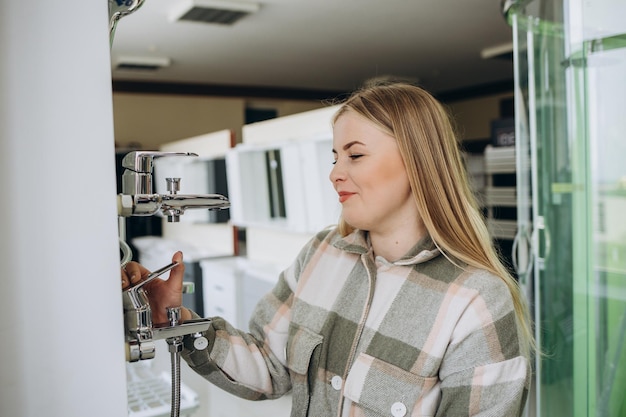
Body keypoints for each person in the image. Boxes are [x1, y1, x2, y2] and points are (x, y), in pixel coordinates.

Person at [122, 82, 533, 417]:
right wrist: (177, 319)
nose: (335, 173)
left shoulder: (476, 301)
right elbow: (268, 365)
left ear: (418, 162)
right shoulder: (321, 252)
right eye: (334, 157)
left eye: (355, 155)